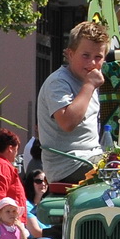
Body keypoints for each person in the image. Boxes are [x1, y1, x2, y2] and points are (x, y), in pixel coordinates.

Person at [36, 21, 108, 185]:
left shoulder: (89, 80)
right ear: (69, 54)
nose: (91, 63)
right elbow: (67, 123)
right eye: (85, 56)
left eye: (98, 57)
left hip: (91, 157)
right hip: (68, 165)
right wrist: (89, 86)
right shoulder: (58, 82)